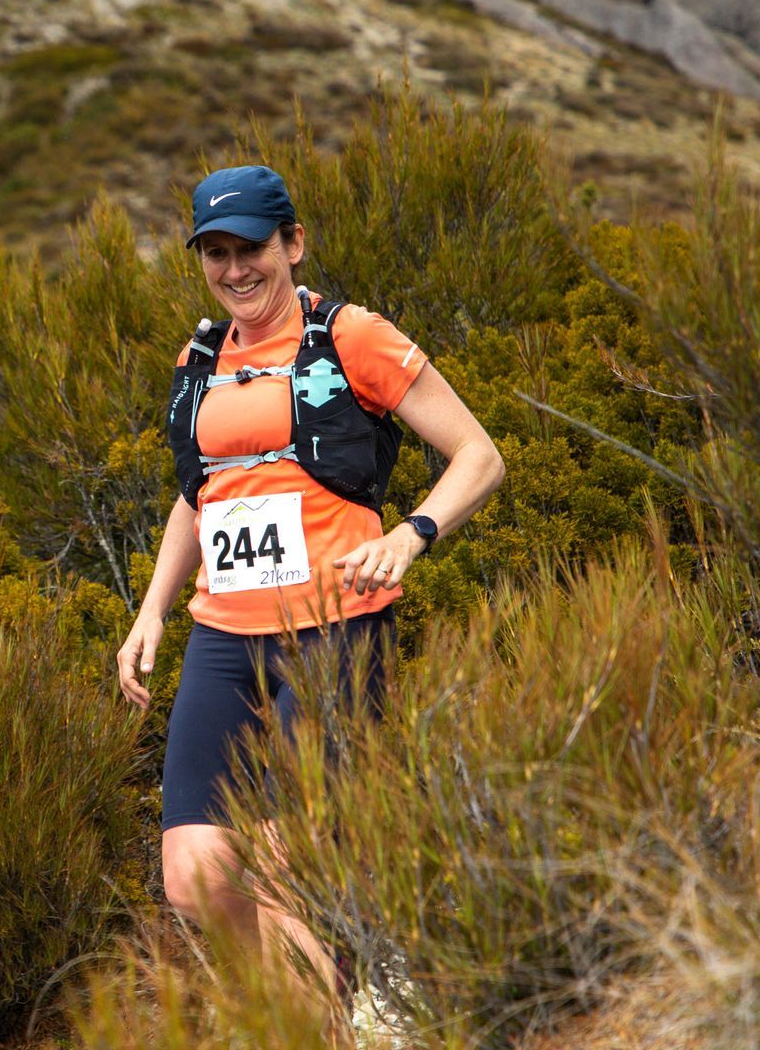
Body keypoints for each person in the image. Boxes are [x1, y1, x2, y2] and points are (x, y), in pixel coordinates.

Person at [115, 163, 506, 1029]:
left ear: (292, 244)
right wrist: (150, 612)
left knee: (286, 855)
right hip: (224, 635)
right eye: (215, 253)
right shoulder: (202, 357)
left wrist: (411, 535)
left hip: (335, 626)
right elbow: (199, 494)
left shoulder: (353, 336)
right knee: (195, 871)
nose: (235, 268)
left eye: (250, 247)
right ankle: (306, 1010)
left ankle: (320, 1024)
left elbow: (480, 457)